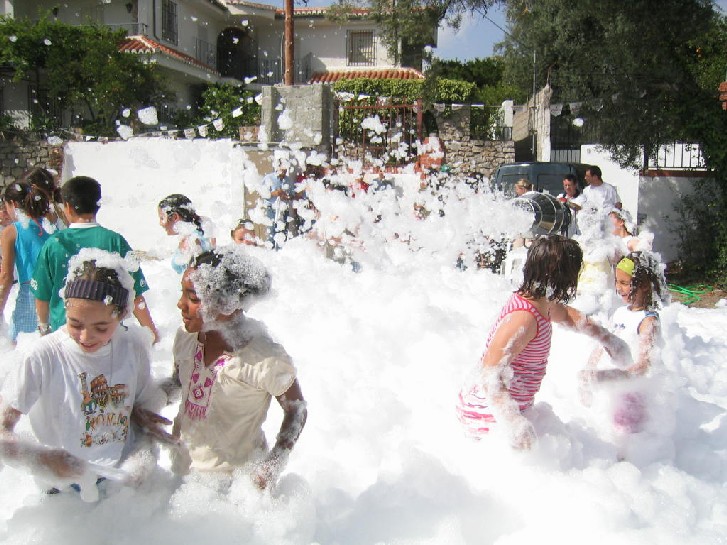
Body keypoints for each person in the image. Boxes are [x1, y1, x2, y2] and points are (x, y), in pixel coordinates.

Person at [0, 250, 173, 498]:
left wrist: (144, 426)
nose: (85, 337)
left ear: (122, 314)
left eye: (101, 328)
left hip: (118, 479)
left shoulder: (132, 346)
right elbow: (2, 432)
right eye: (75, 324)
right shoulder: (43, 356)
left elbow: (139, 403)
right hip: (63, 489)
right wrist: (42, 460)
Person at [456, 236, 631, 449]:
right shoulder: (524, 318)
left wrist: (609, 339)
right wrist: (514, 423)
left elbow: (567, 315)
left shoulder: (541, 301)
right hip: (487, 417)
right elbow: (489, 374)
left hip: (508, 410)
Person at [171, 247, 306, 489]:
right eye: (182, 294)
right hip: (184, 476)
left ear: (227, 303)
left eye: (193, 298)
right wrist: (148, 402)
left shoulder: (263, 358)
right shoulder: (186, 339)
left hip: (235, 484)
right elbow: (180, 382)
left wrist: (272, 464)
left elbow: (297, 409)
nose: (180, 304)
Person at [31, 176, 159, 342]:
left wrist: (43, 328)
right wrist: (151, 332)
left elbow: (42, 295)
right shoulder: (115, 241)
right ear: (98, 205)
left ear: (67, 207)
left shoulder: (54, 244)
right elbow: (135, 293)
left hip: (67, 335)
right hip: (106, 334)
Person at [580, 252, 669, 459]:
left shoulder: (648, 321)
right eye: (616, 281)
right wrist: (590, 369)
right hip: (613, 391)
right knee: (606, 435)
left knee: (625, 443)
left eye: (624, 283)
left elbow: (644, 364)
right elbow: (604, 344)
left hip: (632, 395)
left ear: (643, 285)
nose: (618, 288)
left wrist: (610, 376)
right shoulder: (620, 313)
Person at [0, 182, 52, 341]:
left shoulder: (12, 231)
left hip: (30, 298)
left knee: (22, 347)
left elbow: (6, 277)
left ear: (13, 204)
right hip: (55, 296)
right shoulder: (51, 226)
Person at [158, 194, 214, 274]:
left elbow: (193, 274)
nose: (160, 223)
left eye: (162, 218)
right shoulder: (198, 233)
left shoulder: (191, 241)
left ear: (175, 217)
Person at [261, 165, 294, 248]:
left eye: (285, 169)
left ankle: (281, 252)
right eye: (282, 169)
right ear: (277, 167)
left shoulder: (288, 180)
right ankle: (270, 252)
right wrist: (274, 193)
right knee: (271, 233)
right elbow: (262, 193)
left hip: (284, 210)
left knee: (283, 234)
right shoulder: (268, 178)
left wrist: (286, 197)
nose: (284, 171)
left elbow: (292, 195)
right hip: (271, 209)